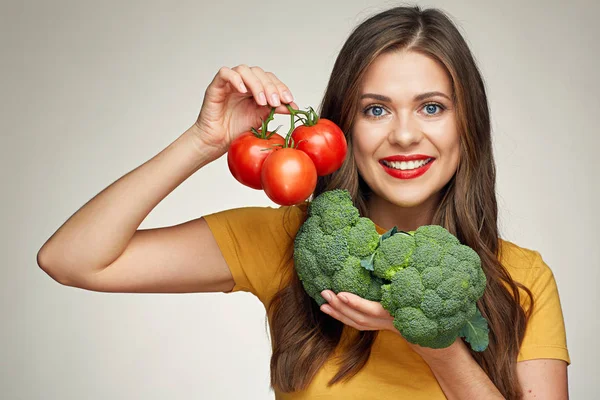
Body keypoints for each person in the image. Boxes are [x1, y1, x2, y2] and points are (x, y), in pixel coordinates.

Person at [36, 5, 570, 399]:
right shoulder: (289, 241)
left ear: (467, 123)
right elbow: (72, 259)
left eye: (431, 107)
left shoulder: (520, 278)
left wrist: (435, 343)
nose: (405, 136)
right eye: (376, 110)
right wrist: (203, 141)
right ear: (343, 126)